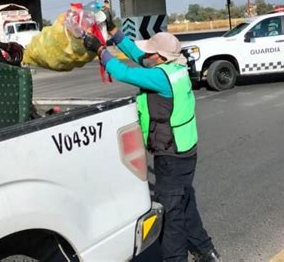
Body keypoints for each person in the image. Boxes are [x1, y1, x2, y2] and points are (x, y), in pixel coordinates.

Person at [83, 16, 220, 262]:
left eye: (153, 53)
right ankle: (205, 249)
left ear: (161, 56)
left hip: (171, 154)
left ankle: (175, 259)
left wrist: (100, 49)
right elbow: (139, 56)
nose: (149, 56)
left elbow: (122, 71)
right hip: (186, 149)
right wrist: (114, 30)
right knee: (185, 200)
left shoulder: (160, 78)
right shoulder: (177, 67)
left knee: (171, 214)